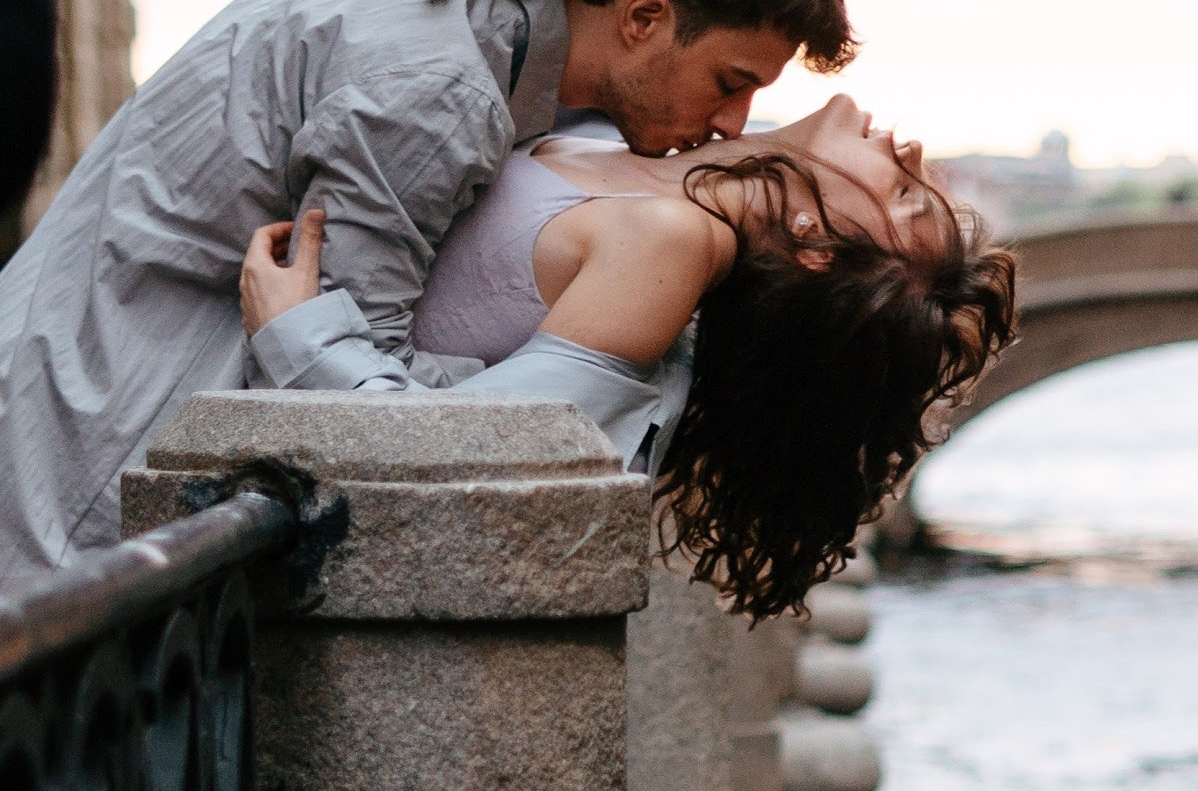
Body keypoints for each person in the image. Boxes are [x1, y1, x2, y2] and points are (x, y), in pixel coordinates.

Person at [0, 0, 854, 587]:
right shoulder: (441, 92)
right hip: (86, 471)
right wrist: (578, 384)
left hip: (60, 377)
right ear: (643, 16)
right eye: (731, 83)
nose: (732, 124)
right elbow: (346, 405)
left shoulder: (437, 0)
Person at [239, 89, 1019, 613]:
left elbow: (461, 459)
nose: (912, 152)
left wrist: (299, 336)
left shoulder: (670, 243)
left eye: (906, 197)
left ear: (816, 245)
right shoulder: (643, 158)